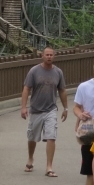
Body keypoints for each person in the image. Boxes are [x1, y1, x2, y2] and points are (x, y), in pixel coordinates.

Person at [21, 47, 68, 176]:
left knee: (51, 136)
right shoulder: (34, 71)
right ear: (42, 56)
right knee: (32, 137)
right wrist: (23, 107)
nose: (49, 57)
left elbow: (62, 90)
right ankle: (31, 158)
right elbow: (26, 89)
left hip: (51, 109)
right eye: (46, 55)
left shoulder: (58, 72)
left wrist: (65, 108)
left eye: (51, 55)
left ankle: (49, 167)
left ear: (54, 56)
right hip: (36, 109)